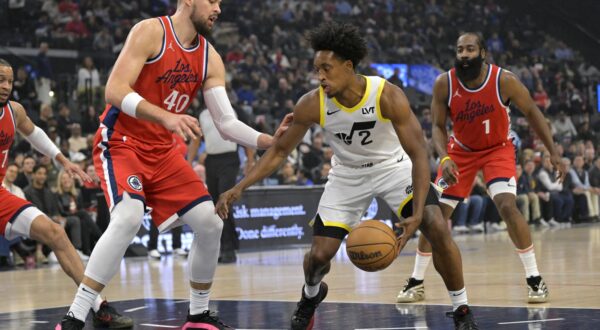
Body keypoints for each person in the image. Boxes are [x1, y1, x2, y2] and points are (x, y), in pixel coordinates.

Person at [216, 22, 478, 330]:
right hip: (347, 175)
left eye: (327, 69)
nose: (321, 77)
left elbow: (419, 154)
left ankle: (462, 311)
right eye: (317, 70)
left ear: (348, 65)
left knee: (436, 225)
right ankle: (310, 296)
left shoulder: (386, 95)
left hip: (392, 167)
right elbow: (278, 151)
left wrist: (417, 214)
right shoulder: (312, 103)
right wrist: (240, 186)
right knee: (318, 256)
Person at [58, 1, 291, 329]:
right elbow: (114, 90)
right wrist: (165, 116)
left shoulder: (211, 58)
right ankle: (76, 317)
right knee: (128, 217)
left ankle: (197, 315)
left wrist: (268, 140)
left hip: (164, 153)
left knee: (211, 223)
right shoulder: (151, 31)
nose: (218, 9)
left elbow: (225, 122)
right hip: (122, 141)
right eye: (212, 1)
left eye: (221, 3)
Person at [397, 32, 566, 305]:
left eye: (470, 49)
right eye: (460, 49)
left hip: (497, 149)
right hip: (459, 153)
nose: (464, 54)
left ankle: (534, 278)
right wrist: (443, 158)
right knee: (435, 217)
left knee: (507, 206)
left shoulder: (505, 80)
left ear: (483, 53)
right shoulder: (444, 83)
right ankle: (416, 281)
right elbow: (438, 128)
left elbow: (534, 113)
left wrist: (553, 152)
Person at [0, 58, 132, 328]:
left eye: (10, 81)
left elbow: (34, 133)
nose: (5, 86)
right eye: (0, 79)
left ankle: (98, 307)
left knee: (56, 233)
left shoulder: (15, 112)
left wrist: (63, 160)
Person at [188, 108, 256, 263]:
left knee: (223, 201)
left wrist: (250, 161)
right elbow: (197, 140)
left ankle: (228, 248)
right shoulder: (203, 114)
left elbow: (245, 136)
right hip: (211, 160)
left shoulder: (232, 110)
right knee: (214, 206)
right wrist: (188, 163)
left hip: (229, 159)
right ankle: (223, 247)